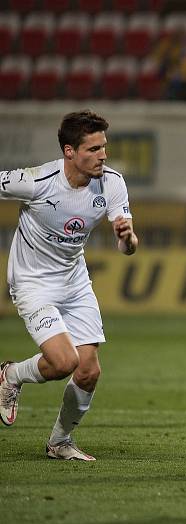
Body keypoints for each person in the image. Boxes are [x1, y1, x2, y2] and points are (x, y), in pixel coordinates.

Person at [0, 110, 138, 461]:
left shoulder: (111, 182)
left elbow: (126, 248)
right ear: (69, 151)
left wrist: (128, 237)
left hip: (75, 281)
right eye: (93, 149)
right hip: (32, 283)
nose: (102, 155)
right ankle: (11, 374)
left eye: (104, 147)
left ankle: (59, 442)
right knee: (63, 362)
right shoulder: (35, 181)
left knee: (88, 370)